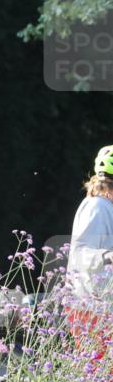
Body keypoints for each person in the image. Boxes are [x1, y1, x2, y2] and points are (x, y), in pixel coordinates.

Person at [67, 145, 113, 364]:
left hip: (102, 307)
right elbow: (81, 253)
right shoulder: (97, 207)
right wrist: (107, 256)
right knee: (101, 380)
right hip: (92, 309)